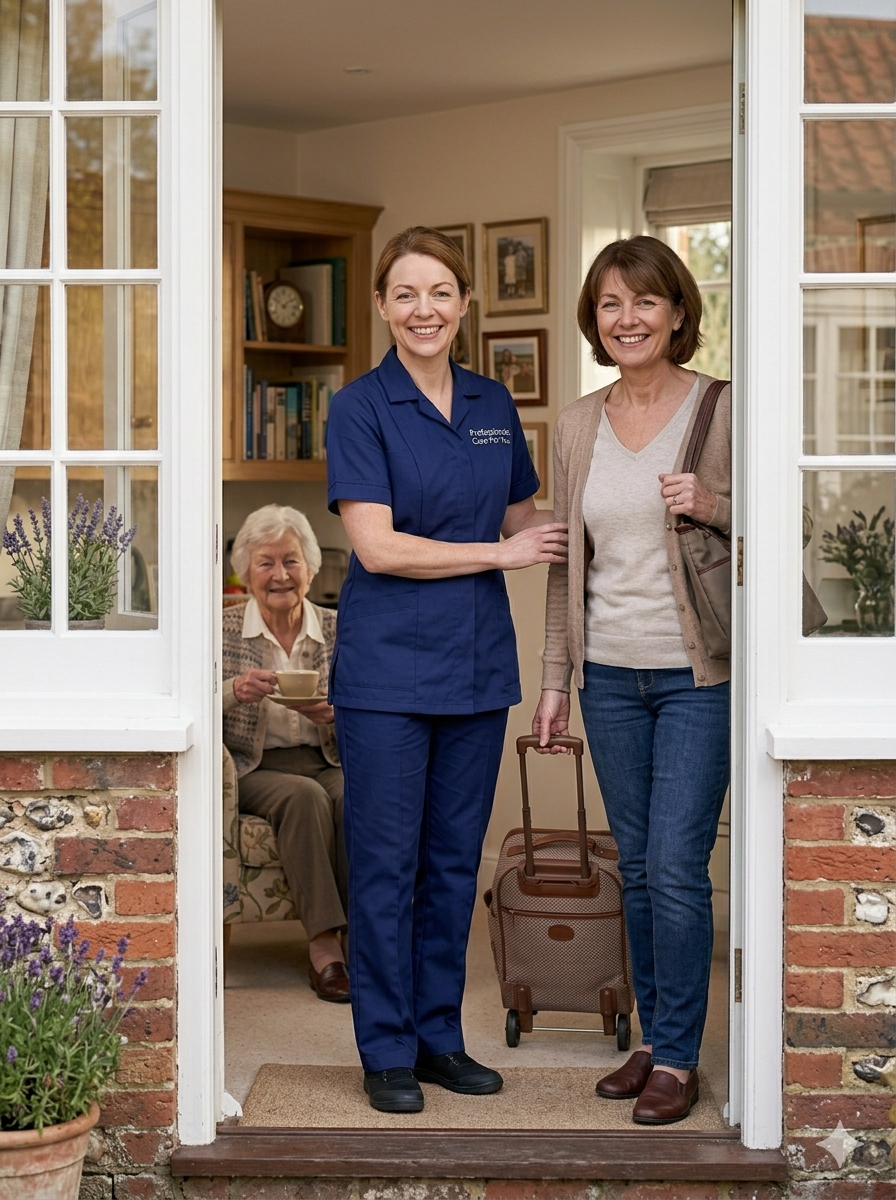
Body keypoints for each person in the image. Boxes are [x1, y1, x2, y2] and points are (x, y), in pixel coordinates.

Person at [326, 226, 568, 1113]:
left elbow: (528, 519)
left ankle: (437, 1039)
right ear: (383, 308)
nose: (423, 309)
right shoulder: (359, 407)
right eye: (405, 294)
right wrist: (500, 556)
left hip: (476, 671)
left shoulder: (494, 404)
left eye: (440, 293)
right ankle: (385, 1050)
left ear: (464, 305)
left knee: (454, 866)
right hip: (387, 676)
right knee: (387, 868)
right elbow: (378, 549)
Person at [533, 235, 731, 1126]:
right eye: (611, 305)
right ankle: (656, 1040)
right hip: (608, 676)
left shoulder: (725, 410)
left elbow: (789, 526)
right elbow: (563, 571)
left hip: (698, 677)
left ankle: (680, 1058)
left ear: (678, 312)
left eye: (645, 302)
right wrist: (554, 679)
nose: (628, 319)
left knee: (679, 868)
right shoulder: (576, 426)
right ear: (595, 319)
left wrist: (713, 503)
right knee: (641, 872)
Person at [222, 504, 349, 1003]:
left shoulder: (340, 628)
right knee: (304, 798)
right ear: (245, 571)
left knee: (354, 797)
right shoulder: (222, 628)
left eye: (291, 561)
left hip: (329, 758)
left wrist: (339, 711)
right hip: (255, 766)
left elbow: (373, 697)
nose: (280, 575)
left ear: (311, 568)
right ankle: (324, 949)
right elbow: (192, 701)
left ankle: (366, 943)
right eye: (266, 563)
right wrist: (234, 688)